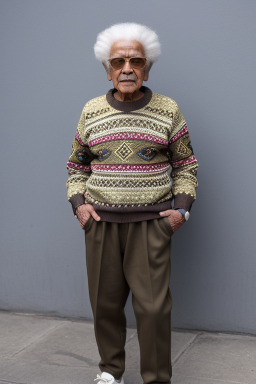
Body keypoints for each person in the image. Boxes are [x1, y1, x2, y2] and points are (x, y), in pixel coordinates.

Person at [66, 22, 198, 384]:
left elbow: (186, 165)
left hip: (151, 224)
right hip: (100, 223)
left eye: (136, 61)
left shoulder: (168, 110)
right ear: (107, 70)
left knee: (153, 308)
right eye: (119, 62)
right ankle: (110, 372)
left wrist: (181, 210)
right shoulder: (91, 111)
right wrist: (79, 205)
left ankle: (156, 378)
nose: (127, 68)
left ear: (147, 67)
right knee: (104, 305)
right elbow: (76, 166)